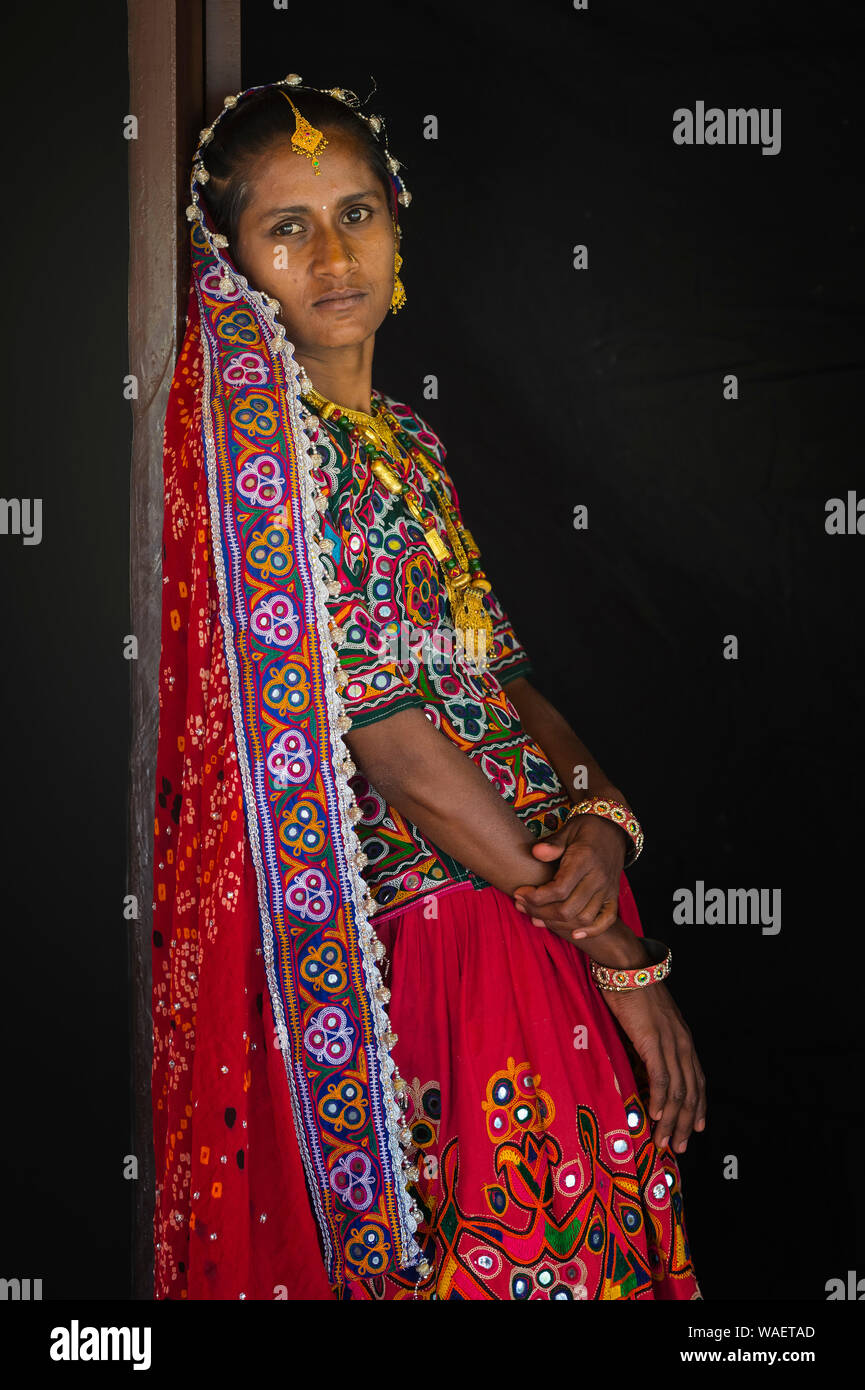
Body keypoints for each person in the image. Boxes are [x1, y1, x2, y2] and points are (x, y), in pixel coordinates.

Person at [151, 74, 706, 1301]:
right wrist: (612, 939)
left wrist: (600, 819)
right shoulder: (271, 463)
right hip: (440, 935)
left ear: (398, 225)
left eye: (357, 211)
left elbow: (496, 677)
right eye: (286, 227)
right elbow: (389, 741)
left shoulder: (408, 440)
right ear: (231, 259)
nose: (333, 254)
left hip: (530, 894)